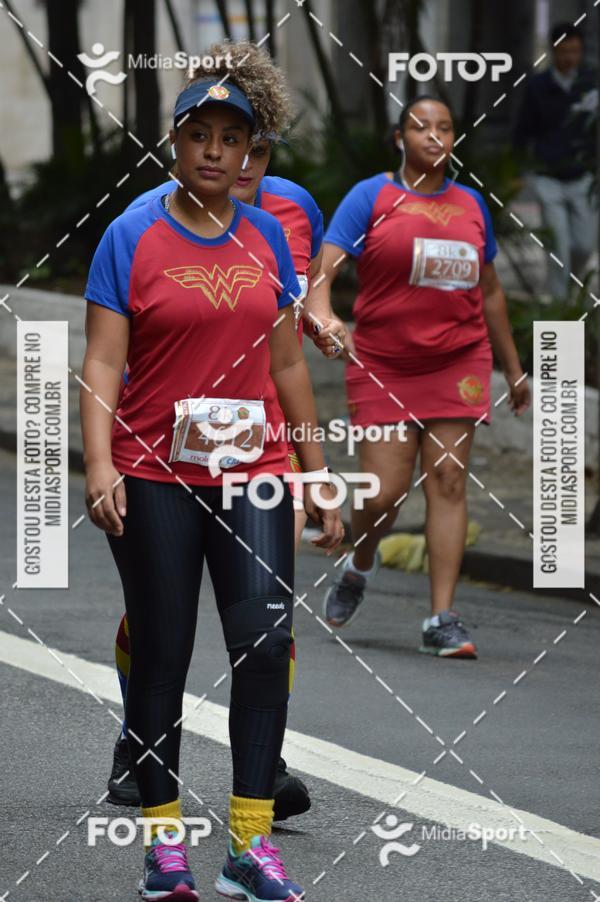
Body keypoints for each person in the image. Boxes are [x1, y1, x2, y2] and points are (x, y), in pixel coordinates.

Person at [81, 68, 343, 900]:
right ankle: (164, 851)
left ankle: (249, 848)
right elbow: (101, 362)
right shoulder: (130, 235)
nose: (216, 151)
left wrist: (318, 472)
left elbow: (290, 362)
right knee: (162, 652)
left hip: (254, 474)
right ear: (177, 141)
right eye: (202, 134)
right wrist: (97, 464)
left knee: (265, 649)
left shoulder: (266, 238)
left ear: (249, 152)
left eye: (233, 139)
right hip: (155, 472)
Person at [315, 96, 530, 657]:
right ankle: (361, 562)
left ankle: (442, 617)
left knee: (449, 483)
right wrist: (327, 314)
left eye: (445, 127)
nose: (434, 136)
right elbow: (326, 268)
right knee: (384, 494)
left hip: (458, 361)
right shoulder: (372, 196)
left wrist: (513, 368)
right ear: (399, 137)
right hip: (383, 363)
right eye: (421, 126)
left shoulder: (471, 205)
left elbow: (488, 291)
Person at [513, 22, 597, 300]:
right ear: (553, 51)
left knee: (584, 244)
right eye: (563, 51)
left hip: (583, 176)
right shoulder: (538, 86)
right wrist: (516, 170)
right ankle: (560, 311)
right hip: (548, 177)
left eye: (574, 51)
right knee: (557, 245)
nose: (569, 57)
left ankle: (571, 284)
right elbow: (523, 130)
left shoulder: (591, 83)